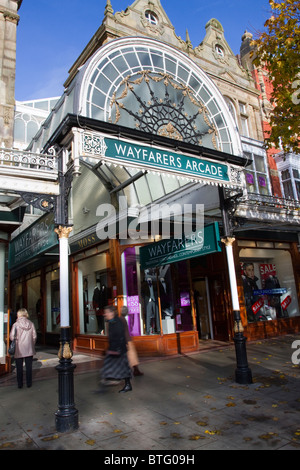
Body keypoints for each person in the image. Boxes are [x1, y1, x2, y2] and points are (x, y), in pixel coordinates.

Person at [101, 305, 132, 393]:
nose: (105, 314)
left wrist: (116, 348)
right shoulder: (111, 321)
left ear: (111, 313)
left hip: (119, 349)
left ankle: (126, 384)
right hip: (116, 348)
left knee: (123, 367)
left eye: (106, 312)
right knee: (117, 366)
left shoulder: (116, 321)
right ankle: (125, 383)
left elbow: (119, 335)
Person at [10, 308, 37, 389]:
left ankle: (20, 384)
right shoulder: (31, 324)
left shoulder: (16, 325)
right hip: (29, 348)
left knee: (19, 367)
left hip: (19, 348)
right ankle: (29, 383)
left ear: (19, 314)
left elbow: (12, 337)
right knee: (29, 367)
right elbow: (34, 336)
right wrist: (31, 344)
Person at [120, 306, 144, 377]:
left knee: (132, 357)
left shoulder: (122, 319)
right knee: (132, 357)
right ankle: (135, 371)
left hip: (127, 340)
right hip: (127, 341)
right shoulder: (122, 319)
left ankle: (136, 370)